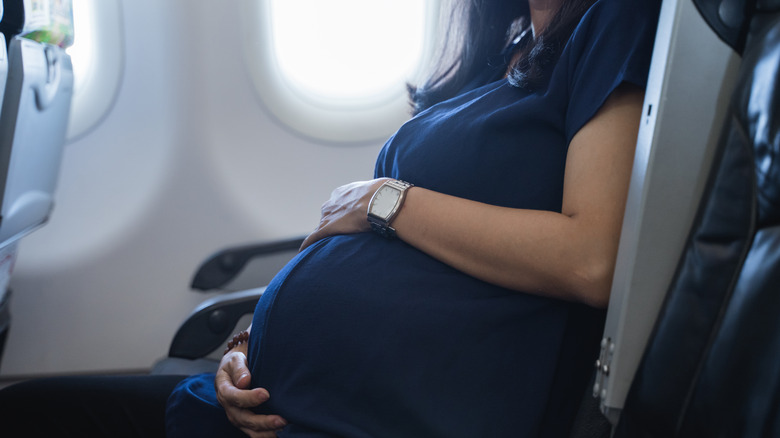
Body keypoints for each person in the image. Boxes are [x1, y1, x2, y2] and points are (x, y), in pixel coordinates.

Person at [0, 0, 660, 436]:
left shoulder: (613, 19)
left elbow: (590, 257)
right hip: (286, 406)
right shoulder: (507, 50)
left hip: (378, 421)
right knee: (28, 411)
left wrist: (384, 202)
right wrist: (246, 350)